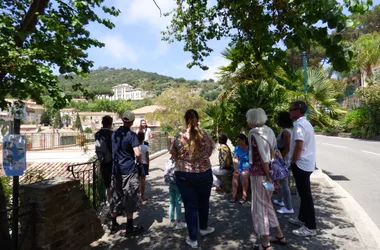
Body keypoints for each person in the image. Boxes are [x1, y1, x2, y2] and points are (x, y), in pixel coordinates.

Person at [170, 109, 215, 249]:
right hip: (204, 173)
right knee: (204, 202)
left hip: (185, 175)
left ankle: (193, 238)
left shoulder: (178, 137)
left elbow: (173, 155)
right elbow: (210, 151)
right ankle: (203, 227)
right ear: (197, 119)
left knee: (190, 206)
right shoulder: (206, 135)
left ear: (185, 120)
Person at [247, 108, 287, 250]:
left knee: (259, 208)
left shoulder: (253, 134)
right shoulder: (269, 130)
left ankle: (265, 243)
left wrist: (269, 177)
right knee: (267, 204)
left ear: (252, 119)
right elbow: (274, 153)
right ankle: (279, 235)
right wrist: (272, 176)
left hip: (260, 175)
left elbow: (263, 158)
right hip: (270, 172)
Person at [109, 110, 144, 236]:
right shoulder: (131, 135)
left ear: (123, 120)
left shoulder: (114, 134)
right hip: (129, 170)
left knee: (115, 196)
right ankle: (129, 227)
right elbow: (138, 153)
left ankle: (113, 225)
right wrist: (139, 162)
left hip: (116, 169)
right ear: (132, 121)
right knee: (130, 196)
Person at [288, 101, 317, 237]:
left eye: (291, 109)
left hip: (301, 164)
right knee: (303, 194)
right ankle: (302, 219)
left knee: (305, 196)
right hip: (306, 164)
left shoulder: (300, 125)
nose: (289, 112)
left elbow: (299, 146)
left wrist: (293, 161)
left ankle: (310, 227)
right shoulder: (305, 124)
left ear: (298, 111)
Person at [273, 112, 294, 214]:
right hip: (282, 159)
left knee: (284, 183)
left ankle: (289, 207)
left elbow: (287, 148)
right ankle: (280, 200)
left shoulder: (286, 132)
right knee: (281, 181)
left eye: (278, 119)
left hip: (283, 161)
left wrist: (280, 161)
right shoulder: (285, 131)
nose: (276, 120)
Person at [163, 156, 187, 230]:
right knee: (178, 202)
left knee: (172, 202)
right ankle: (179, 222)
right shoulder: (180, 161)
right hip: (178, 184)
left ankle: (172, 221)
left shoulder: (169, 160)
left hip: (171, 183)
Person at [94, 115, 113, 203]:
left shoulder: (97, 134)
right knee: (113, 183)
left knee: (107, 185)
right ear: (110, 123)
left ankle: (107, 202)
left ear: (102, 123)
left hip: (102, 161)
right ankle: (114, 204)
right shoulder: (112, 134)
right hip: (112, 162)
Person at [230, 134, 250, 204]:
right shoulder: (237, 148)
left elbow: (252, 160)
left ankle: (244, 196)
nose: (238, 142)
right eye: (237, 140)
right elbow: (235, 159)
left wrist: (248, 167)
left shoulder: (249, 148)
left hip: (248, 166)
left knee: (244, 174)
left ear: (244, 140)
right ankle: (234, 195)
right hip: (239, 166)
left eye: (239, 140)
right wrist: (236, 169)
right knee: (235, 174)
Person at [137, 131, 150, 202]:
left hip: (136, 164)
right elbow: (147, 158)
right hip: (144, 164)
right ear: (143, 138)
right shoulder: (146, 147)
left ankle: (137, 196)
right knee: (143, 180)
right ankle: (142, 196)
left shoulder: (135, 147)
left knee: (136, 181)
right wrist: (148, 166)